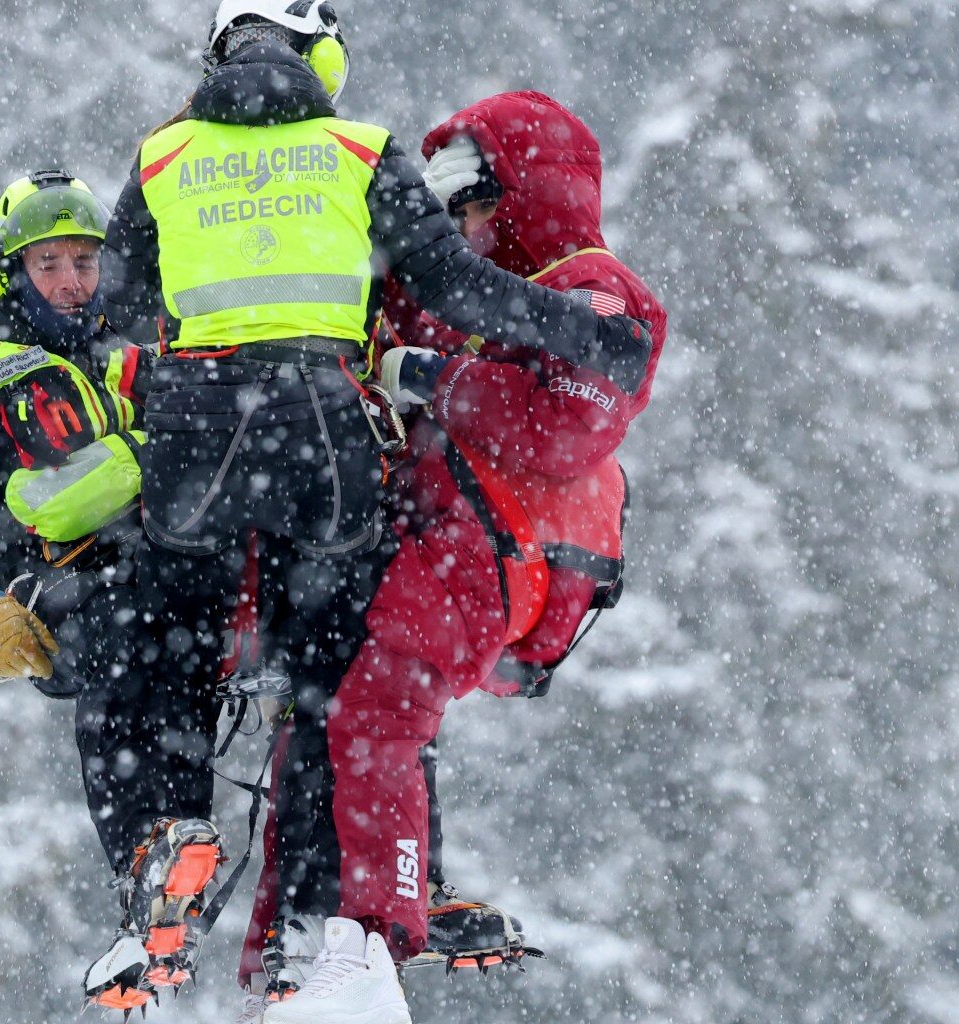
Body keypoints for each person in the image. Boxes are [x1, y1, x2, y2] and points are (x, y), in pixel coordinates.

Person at [91, 0, 657, 1018]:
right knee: (341, 685)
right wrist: (573, 332)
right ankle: (344, 925)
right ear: (321, 53)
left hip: (195, 438)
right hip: (327, 438)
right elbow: (450, 280)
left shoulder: (165, 156)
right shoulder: (358, 150)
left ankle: (160, 841)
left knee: (156, 638)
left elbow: (122, 310)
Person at [258, 91, 665, 1021]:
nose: (467, 229)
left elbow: (565, 427)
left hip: (501, 544)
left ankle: (365, 948)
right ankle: (303, 945)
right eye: (457, 211)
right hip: (443, 534)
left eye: (480, 205)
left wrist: (435, 383)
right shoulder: (467, 292)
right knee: (326, 703)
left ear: (525, 196)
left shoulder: (593, 290)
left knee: (376, 710)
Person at [0, 171, 231, 1014]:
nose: (74, 282)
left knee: (219, 637)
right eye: (50, 264)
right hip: (62, 582)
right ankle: (145, 855)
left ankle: (189, 873)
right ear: (6, 271)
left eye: (86, 260)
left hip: (180, 568)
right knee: (130, 628)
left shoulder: (140, 349)